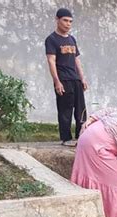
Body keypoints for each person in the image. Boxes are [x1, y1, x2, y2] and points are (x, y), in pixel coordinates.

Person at [45, 8, 88, 146]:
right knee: (65, 110)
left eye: (70, 21)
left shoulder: (72, 39)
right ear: (57, 20)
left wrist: (82, 78)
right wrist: (57, 81)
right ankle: (66, 138)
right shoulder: (51, 39)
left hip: (75, 79)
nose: (68, 24)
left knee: (81, 109)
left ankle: (82, 136)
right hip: (63, 79)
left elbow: (77, 60)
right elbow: (51, 61)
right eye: (65, 20)